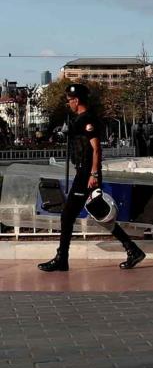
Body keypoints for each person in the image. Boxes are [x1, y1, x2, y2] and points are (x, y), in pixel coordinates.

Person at [38, 84, 145, 272]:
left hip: (87, 174)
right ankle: (132, 249)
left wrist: (94, 174)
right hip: (83, 172)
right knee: (99, 214)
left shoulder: (88, 120)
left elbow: (96, 148)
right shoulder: (79, 119)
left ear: (76, 100)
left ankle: (62, 259)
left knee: (68, 215)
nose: (68, 103)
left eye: (70, 100)